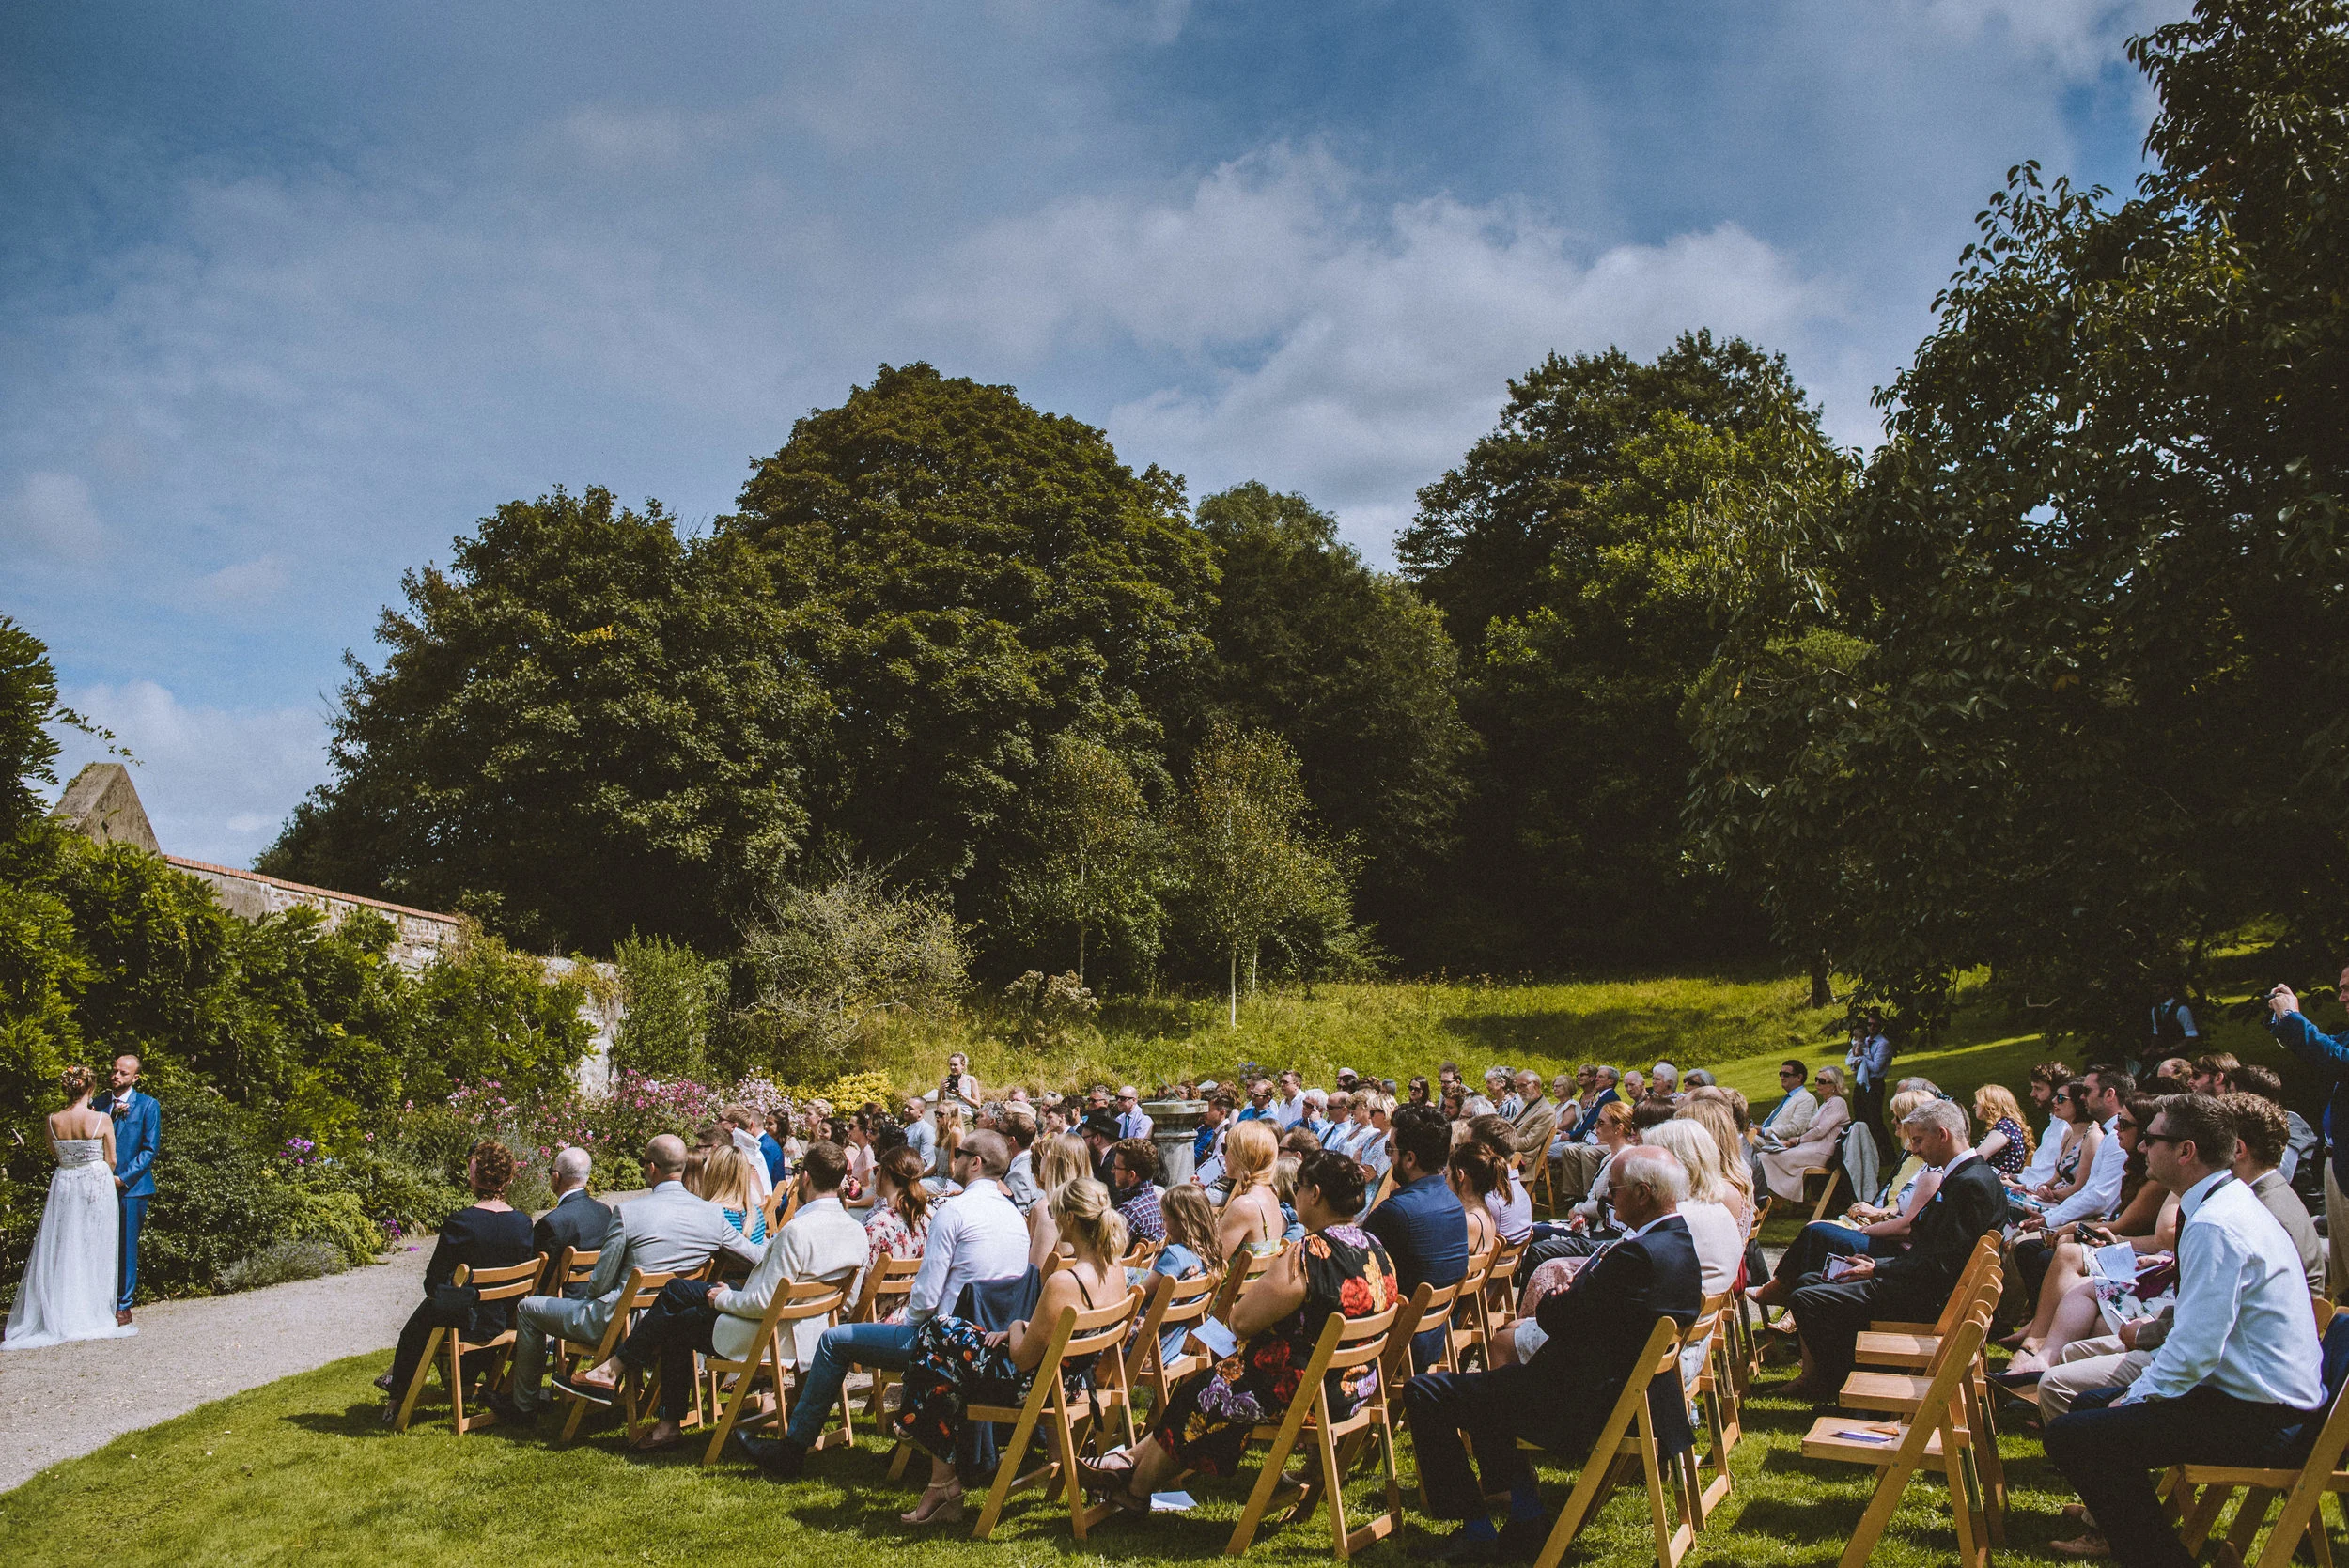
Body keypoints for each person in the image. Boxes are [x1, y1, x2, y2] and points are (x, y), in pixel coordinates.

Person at [2045, 1094, 2326, 1568]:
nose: (2139, 1150)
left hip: (2266, 1418)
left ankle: (2157, 1557)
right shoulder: (2224, 1202)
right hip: (2255, 1401)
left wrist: (2134, 1398)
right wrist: (2131, 1398)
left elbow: (2195, 1349)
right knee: (2087, 1410)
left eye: (2151, 1140)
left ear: (2186, 1150)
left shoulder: (2217, 1223)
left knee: (2076, 1435)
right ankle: (2153, 1548)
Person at [1400, 1147, 1703, 1561]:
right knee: (1489, 1392)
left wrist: (1560, 1297)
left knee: (1424, 1391)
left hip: (1585, 1404)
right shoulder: (1680, 1243)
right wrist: (1576, 1296)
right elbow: (1588, 1315)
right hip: (1635, 1397)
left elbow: (1558, 1318)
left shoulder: (1637, 1256)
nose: (1610, 1200)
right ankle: (1525, 1513)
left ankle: (1475, 1526)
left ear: (1643, 1193)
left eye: (1614, 1190)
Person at [1077, 1150, 1397, 1514]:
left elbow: (1242, 1321)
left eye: (1299, 1187)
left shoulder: (1308, 1255)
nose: (1295, 1193)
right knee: (1211, 1386)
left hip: (1305, 1393)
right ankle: (1127, 1462)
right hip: (1354, 1386)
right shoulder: (1374, 1246)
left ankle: (1133, 1489)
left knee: (1203, 1394)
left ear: (1316, 1194)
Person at [739, 1129, 1030, 1478]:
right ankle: (910, 1442)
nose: (952, 1159)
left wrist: (910, 1326)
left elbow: (925, 1297)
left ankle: (791, 1451)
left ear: (975, 1163)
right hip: (992, 1344)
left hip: (946, 1346)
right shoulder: (1014, 1217)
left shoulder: (955, 1212)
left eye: (959, 1153)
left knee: (834, 1341)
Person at [581, 1140, 868, 1452]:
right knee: (677, 1290)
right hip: (813, 1327)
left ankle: (649, 1406)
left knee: (678, 1320)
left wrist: (722, 1299)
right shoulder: (855, 1230)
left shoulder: (796, 1232)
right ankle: (616, 1372)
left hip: (768, 1333)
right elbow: (848, 1301)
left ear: (807, 1179)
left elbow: (762, 1304)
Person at [891, 1177, 1129, 1526]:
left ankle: (918, 1430)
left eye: (1057, 1212)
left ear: (1073, 1220)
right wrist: (1025, 1331)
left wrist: (1017, 1326)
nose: (1054, 1218)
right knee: (943, 1350)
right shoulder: (1115, 1270)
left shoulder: (1066, 1281)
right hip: (1068, 1382)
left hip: (1031, 1386)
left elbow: (1020, 1357)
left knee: (936, 1340)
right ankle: (932, 1464)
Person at [490, 1133, 763, 1424]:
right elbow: (757, 1257)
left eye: (643, 1162)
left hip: (621, 1323)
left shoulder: (629, 1212)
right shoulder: (711, 1215)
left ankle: (524, 1406)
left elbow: (599, 1284)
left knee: (529, 1308)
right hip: (674, 1325)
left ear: (652, 1168)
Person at [1781, 1097, 2005, 1402]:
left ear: (1942, 1134)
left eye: (1918, 1140)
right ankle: (1835, 1383)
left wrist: (1878, 1268)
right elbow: (1935, 1253)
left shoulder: (1970, 1185)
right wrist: (1877, 1263)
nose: (1914, 1149)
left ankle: (1845, 1390)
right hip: (1922, 1284)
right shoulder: (1970, 1177)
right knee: (1810, 1280)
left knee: (1808, 1298)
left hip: (1928, 1300)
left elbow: (1942, 1266)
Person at [370, 1140, 535, 1419]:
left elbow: (432, 1283)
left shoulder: (461, 1222)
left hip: (468, 1322)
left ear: (474, 1177)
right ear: (509, 1178)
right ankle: (401, 1380)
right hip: (505, 1318)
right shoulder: (523, 1223)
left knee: (418, 1325)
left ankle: (398, 1392)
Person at [4, 1065, 139, 1349]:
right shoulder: (101, 1118)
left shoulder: (53, 1120)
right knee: (93, 1245)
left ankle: (62, 1312)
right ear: (89, 1089)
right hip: (94, 1183)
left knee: (64, 1244)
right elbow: (111, 1160)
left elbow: (56, 1153)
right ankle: (89, 1312)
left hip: (65, 1182)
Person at [1363, 1103, 1470, 1372]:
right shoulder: (1454, 1203)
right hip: (1434, 1337)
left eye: (1391, 1149)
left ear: (1409, 1159)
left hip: (1394, 1349)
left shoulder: (1396, 1213)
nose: (1389, 1157)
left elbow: (1352, 1276)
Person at [2266, 967, 2349, 1295]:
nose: (2341, 997)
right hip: (2337, 1163)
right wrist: (2285, 1022)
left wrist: (2292, 1018)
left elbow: (2338, 1060)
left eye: (2347, 989)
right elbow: (2324, 1048)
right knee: (2342, 1277)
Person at [89, 1053, 158, 1327]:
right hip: (98, 1184)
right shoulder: (98, 1103)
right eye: (115, 1071)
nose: (116, 1076)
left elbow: (149, 1150)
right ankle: (97, 1300)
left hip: (132, 1189)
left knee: (126, 1246)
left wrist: (122, 1179)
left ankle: (123, 1305)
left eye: (123, 1073)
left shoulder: (148, 1105)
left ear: (135, 1078)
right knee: (97, 1242)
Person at [1755, 1065, 1851, 1203]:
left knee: (1763, 1158)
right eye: (1817, 1080)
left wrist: (1797, 1140)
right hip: (1812, 1148)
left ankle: (1766, 1199)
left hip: (1823, 1152)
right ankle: (1774, 1197)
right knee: (1766, 1155)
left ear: (1835, 1085)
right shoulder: (1826, 1103)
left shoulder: (1838, 1103)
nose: (1817, 1084)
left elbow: (1820, 1131)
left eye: (1823, 1081)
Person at [533, 1146, 614, 1296]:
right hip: (601, 1298)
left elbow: (539, 1279)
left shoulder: (551, 1223)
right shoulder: (605, 1212)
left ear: (556, 1176)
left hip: (564, 1306)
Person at [1215, 1119, 1287, 1267]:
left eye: (1225, 1148)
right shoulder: (1271, 1197)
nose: (1223, 1155)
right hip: (1252, 1288)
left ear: (1241, 1154)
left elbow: (1211, 1261)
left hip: (1229, 1290)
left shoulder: (1245, 1206)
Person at [1109, 1138, 1164, 1245]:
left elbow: (1102, 1250)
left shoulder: (1130, 1211)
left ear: (1131, 1175)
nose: (1112, 1171)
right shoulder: (1154, 1200)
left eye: (1116, 1167)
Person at [1970, 1084, 2033, 1177]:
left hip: (2000, 1187)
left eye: (1977, 1102)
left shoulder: (2006, 1126)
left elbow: (1977, 1157)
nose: (1974, 1106)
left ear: (1990, 1104)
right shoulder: (2006, 1126)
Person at [1754, 1060, 1817, 1144]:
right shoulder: (1789, 1098)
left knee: (1735, 1141)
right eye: (1781, 1074)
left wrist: (1763, 1131)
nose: (1782, 1078)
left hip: (1779, 1144)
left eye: (1786, 1075)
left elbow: (1796, 1129)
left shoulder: (1807, 1099)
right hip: (1765, 1140)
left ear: (1799, 1077)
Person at [1506, 1071, 1555, 1161]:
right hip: (1509, 1152)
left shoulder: (1547, 1111)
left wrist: (1502, 1141)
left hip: (1521, 1161)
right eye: (1518, 1087)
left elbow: (1528, 1144)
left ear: (1535, 1085)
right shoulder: (1529, 1104)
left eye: (1523, 1086)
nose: (1520, 1090)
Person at [901, 1098, 938, 1177]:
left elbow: (925, 1160)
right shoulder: (906, 1129)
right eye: (906, 1107)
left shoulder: (926, 1130)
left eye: (910, 1108)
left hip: (921, 1175)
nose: (905, 1110)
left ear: (921, 1112)